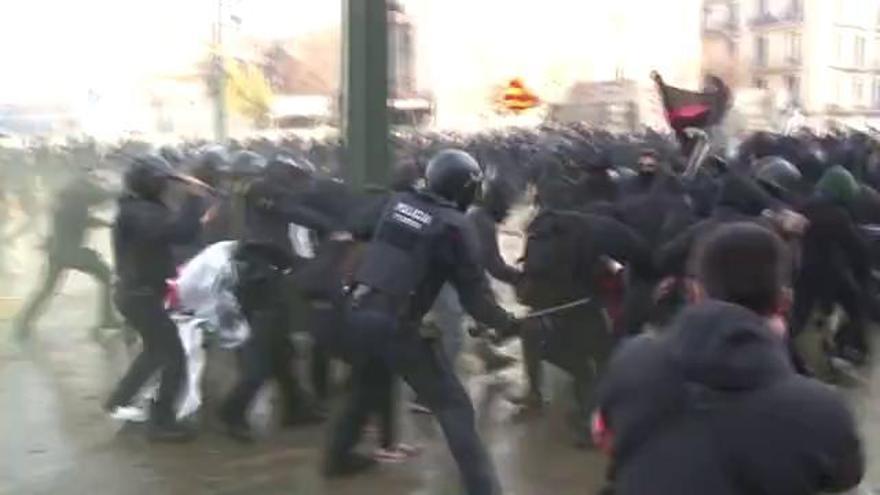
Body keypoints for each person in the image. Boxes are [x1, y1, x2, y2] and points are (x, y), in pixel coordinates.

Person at [594, 222, 863, 495]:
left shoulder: (631, 358)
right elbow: (847, 476)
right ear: (784, 301)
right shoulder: (821, 408)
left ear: (694, 293)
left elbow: (604, 435)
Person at [325, 149, 521, 495]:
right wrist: (505, 322)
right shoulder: (455, 226)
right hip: (395, 322)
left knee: (367, 387)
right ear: (464, 190)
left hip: (357, 310)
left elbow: (358, 227)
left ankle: (337, 459)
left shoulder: (398, 201)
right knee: (454, 406)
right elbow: (474, 295)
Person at [217, 153, 341, 440]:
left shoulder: (244, 195)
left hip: (262, 275)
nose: (299, 187)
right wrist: (331, 225)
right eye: (295, 179)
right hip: (260, 281)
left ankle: (296, 407)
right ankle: (231, 413)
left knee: (281, 351)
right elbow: (293, 212)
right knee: (261, 356)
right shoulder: (260, 189)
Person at [104, 155, 212, 441]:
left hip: (137, 294)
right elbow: (180, 233)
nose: (164, 187)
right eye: (159, 182)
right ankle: (161, 422)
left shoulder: (137, 207)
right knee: (173, 356)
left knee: (154, 351)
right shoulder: (140, 212)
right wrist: (193, 199)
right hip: (140, 296)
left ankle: (119, 399)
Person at [14, 169, 118, 341]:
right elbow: (101, 197)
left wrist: (105, 223)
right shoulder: (79, 192)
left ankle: (23, 322)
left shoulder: (68, 197)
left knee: (47, 289)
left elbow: (80, 220)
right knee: (106, 276)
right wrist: (126, 189)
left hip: (58, 251)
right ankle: (107, 318)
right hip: (72, 252)